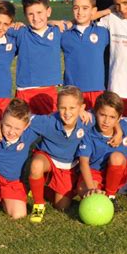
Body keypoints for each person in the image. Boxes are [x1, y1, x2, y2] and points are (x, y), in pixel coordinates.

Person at [26, 86, 92, 221]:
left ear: (81, 107)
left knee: (61, 206)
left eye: (72, 108)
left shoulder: (87, 121)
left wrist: (119, 130)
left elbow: (108, 117)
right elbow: (23, 117)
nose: (67, 112)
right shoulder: (48, 122)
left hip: (68, 166)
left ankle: (40, 187)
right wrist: (0, 123)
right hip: (48, 158)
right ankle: (39, 204)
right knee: (36, 165)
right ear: (57, 107)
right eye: (63, 108)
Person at [0, 99, 39, 223]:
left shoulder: (29, 133)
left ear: (26, 126)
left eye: (17, 128)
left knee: (19, 214)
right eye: (7, 125)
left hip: (11, 181)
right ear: (2, 119)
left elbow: (52, 119)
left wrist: (80, 112)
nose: (11, 132)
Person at [76, 91, 127, 211]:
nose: (106, 121)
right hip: (95, 172)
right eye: (102, 115)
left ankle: (111, 196)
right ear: (95, 112)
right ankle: (100, 191)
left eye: (112, 117)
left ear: (119, 117)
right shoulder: (89, 132)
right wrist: (91, 188)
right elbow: (83, 162)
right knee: (82, 190)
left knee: (116, 157)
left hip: (116, 171)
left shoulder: (126, 128)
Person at [61, 0, 110, 110]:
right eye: (76, 8)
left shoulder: (103, 32)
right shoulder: (64, 33)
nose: (80, 12)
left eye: (85, 8)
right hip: (72, 91)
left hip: (96, 90)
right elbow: (46, 26)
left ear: (93, 11)